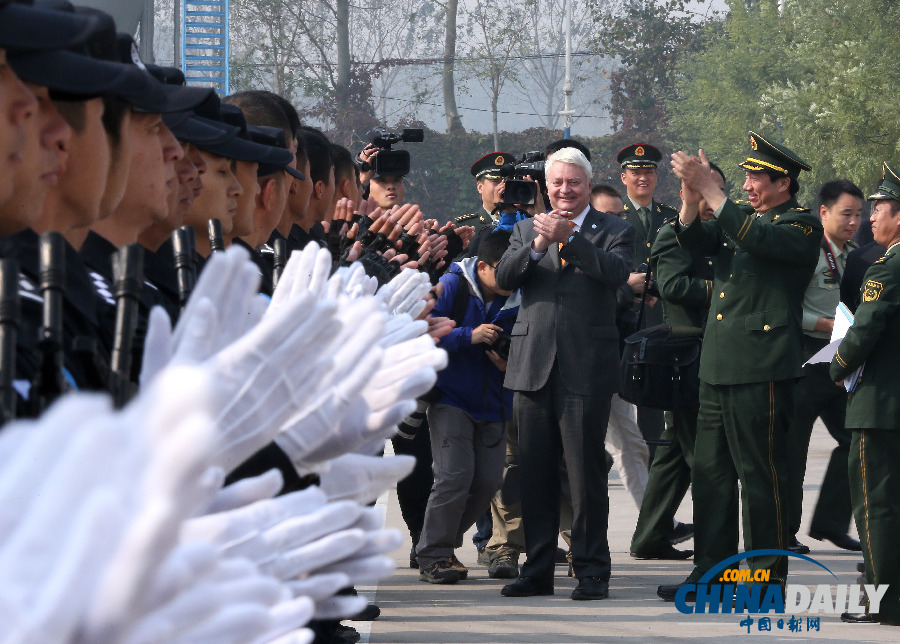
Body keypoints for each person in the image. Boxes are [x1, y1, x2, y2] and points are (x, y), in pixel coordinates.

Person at [658, 132, 822, 601]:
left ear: (783, 183)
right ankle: (711, 574)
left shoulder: (800, 226)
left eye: (756, 177)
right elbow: (692, 239)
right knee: (709, 476)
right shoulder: (743, 219)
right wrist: (691, 198)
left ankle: (766, 577)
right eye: (745, 176)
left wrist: (712, 189)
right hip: (719, 366)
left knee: (760, 476)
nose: (748, 185)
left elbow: (759, 238)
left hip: (762, 366)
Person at [495, 147, 633, 601]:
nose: (565, 190)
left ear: (589, 185)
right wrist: (539, 245)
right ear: (545, 187)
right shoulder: (522, 229)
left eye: (574, 182)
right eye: (557, 183)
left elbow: (616, 273)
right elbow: (504, 278)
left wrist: (570, 239)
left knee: (585, 474)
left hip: (585, 371)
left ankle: (592, 571)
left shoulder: (614, 229)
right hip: (532, 368)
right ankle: (537, 570)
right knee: (533, 473)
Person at [630, 162, 724, 561]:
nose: (706, 201)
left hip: (718, 354)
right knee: (703, 457)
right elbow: (670, 285)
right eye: (698, 191)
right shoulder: (673, 234)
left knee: (672, 455)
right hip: (688, 359)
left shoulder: (727, 235)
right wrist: (724, 291)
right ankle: (712, 551)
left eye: (713, 191)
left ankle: (649, 536)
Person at [416, 230, 520, 584]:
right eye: (503, 273)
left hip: (497, 403)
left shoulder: (521, 295)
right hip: (451, 399)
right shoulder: (451, 286)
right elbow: (421, 333)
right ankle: (434, 555)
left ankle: (437, 544)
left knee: (489, 480)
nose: (510, 281)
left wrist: (512, 364)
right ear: (485, 266)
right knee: (454, 477)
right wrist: (468, 336)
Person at [831, 162, 900, 626]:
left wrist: (837, 364)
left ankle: (884, 601)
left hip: (878, 404)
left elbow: (866, 328)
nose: (872, 217)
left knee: (877, 507)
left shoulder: (888, 267)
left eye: (880, 208)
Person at [787, 179, 863, 555]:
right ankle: (784, 532)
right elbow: (786, 306)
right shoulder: (809, 253)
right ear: (824, 213)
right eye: (846, 213)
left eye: (859, 214)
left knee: (854, 440)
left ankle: (832, 523)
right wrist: (824, 324)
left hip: (837, 362)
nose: (853, 221)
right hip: (803, 359)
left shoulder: (855, 255)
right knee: (792, 449)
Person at [616, 143, 676, 453]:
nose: (643, 178)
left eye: (649, 172)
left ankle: (653, 458)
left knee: (654, 394)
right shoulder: (612, 216)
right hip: (623, 315)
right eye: (636, 172)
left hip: (660, 317)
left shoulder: (670, 216)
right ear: (624, 176)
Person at [454, 152, 513, 232]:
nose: (502, 186)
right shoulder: (466, 227)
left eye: (506, 181)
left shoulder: (525, 222)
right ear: (480, 187)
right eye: (495, 181)